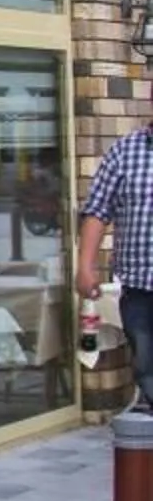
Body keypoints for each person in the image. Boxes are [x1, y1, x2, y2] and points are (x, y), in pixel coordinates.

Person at [76, 110, 153, 413]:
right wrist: (85, 266)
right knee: (147, 366)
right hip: (139, 287)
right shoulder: (124, 152)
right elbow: (97, 211)